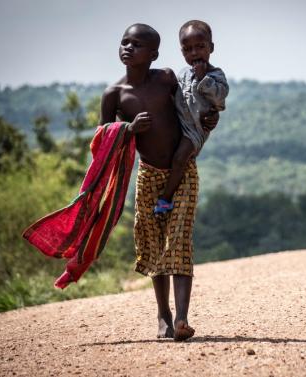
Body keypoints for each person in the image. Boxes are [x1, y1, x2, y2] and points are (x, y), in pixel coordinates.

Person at [100, 23, 218, 342]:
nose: (128, 48)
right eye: (124, 42)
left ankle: (181, 318)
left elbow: (192, 104)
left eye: (136, 45)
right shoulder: (114, 95)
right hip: (149, 174)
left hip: (183, 172)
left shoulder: (166, 78)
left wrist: (211, 115)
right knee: (153, 243)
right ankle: (163, 316)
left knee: (178, 240)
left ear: (153, 54)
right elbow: (101, 140)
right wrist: (127, 129)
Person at [154, 20, 229, 215]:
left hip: (195, 129)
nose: (194, 53)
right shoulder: (183, 73)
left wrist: (204, 79)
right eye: (188, 49)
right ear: (182, 52)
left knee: (180, 158)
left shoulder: (216, 74)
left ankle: (165, 199)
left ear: (211, 47)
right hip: (178, 123)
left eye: (200, 47)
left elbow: (220, 100)